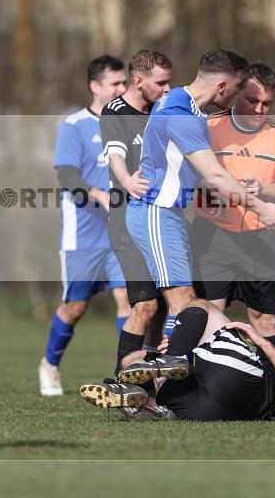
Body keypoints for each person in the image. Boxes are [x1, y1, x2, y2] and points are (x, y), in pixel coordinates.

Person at [125, 49, 275, 338]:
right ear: (222, 86)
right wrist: (261, 208)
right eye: (239, 87)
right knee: (183, 304)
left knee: (179, 306)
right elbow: (214, 174)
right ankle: (147, 375)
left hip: (167, 214)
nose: (240, 95)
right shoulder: (182, 114)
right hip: (156, 212)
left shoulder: (181, 103)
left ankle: (157, 375)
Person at [80, 304, 275, 422]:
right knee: (137, 360)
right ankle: (147, 401)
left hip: (244, 376)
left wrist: (262, 342)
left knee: (201, 307)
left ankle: (169, 358)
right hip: (211, 411)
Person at [192, 62, 275, 355]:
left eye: (267, 103)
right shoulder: (208, 126)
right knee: (208, 315)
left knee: (264, 318)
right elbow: (190, 177)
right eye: (253, 100)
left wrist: (265, 191)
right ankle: (208, 389)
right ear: (236, 92)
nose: (260, 109)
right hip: (212, 235)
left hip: (260, 237)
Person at [38, 55, 130, 396]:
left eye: (125, 83)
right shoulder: (75, 125)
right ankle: (49, 363)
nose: (123, 88)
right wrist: (98, 195)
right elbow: (66, 175)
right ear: (95, 86)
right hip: (83, 235)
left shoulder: (130, 123)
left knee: (128, 300)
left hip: (122, 233)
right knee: (76, 307)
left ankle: (127, 373)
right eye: (115, 84)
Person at [101, 49, 172, 374]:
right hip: (126, 223)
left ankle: (147, 371)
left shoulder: (164, 109)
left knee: (161, 308)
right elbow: (115, 154)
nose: (167, 89)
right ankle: (123, 378)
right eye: (161, 83)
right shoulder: (115, 112)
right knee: (144, 304)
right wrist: (127, 179)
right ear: (139, 80)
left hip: (163, 222)